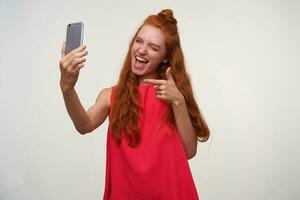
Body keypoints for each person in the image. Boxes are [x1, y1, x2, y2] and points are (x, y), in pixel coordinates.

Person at [59, 9, 210, 200]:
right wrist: (67, 88)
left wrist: (178, 101)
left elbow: (189, 151)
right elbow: (84, 125)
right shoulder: (110, 96)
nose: (142, 50)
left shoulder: (173, 96)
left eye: (154, 47)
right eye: (139, 41)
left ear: (165, 57)